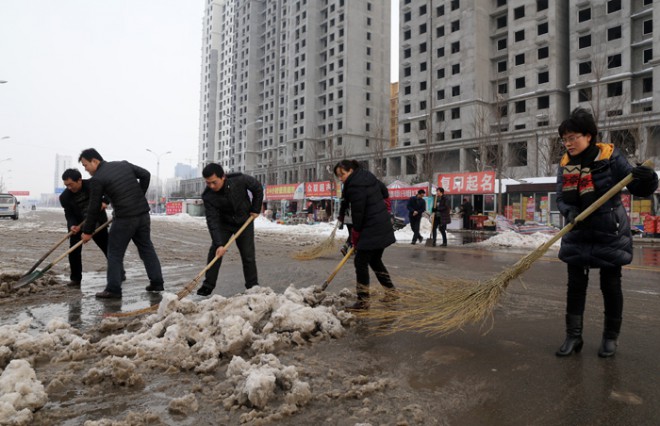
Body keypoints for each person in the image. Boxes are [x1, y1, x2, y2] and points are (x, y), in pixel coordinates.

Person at [554, 108, 658, 358]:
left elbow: (637, 187)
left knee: (610, 285)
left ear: (589, 136)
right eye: (564, 139)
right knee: (575, 286)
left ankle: (610, 338)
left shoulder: (610, 158)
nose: (568, 144)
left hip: (608, 231)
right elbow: (561, 197)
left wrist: (647, 178)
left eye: (572, 137)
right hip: (577, 231)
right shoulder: (567, 164)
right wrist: (568, 212)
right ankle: (573, 336)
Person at [79, 148, 165, 299]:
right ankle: (157, 282)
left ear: (95, 161)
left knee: (114, 253)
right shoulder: (123, 165)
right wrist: (139, 195)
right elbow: (146, 174)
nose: (86, 169)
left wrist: (87, 232)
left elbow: (93, 207)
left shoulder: (98, 179)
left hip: (125, 218)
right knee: (146, 248)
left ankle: (113, 289)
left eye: (86, 165)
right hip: (143, 215)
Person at [334, 160, 396, 311]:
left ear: (351, 170)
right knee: (375, 260)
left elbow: (358, 212)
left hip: (371, 226)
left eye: (342, 174)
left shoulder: (355, 186)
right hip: (381, 223)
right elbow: (383, 191)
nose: (340, 178)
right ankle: (391, 292)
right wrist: (385, 206)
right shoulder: (367, 176)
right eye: (338, 176)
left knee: (360, 262)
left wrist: (356, 232)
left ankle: (363, 302)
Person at [196, 163, 264, 296]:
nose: (211, 186)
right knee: (215, 252)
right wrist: (219, 243)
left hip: (244, 221)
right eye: (208, 183)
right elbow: (212, 220)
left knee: (248, 255)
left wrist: (255, 209)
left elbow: (257, 188)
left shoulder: (240, 180)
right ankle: (208, 285)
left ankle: (252, 286)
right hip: (224, 224)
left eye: (214, 182)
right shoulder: (208, 196)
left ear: (223, 177)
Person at [59, 168, 109, 287]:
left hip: (97, 221)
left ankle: (118, 272)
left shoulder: (93, 185)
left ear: (79, 180)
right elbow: (69, 214)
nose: (69, 188)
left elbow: (109, 191)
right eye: (66, 185)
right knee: (73, 251)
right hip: (79, 223)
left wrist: (104, 201)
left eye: (71, 184)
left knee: (108, 248)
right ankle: (75, 279)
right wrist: (72, 226)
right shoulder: (65, 197)